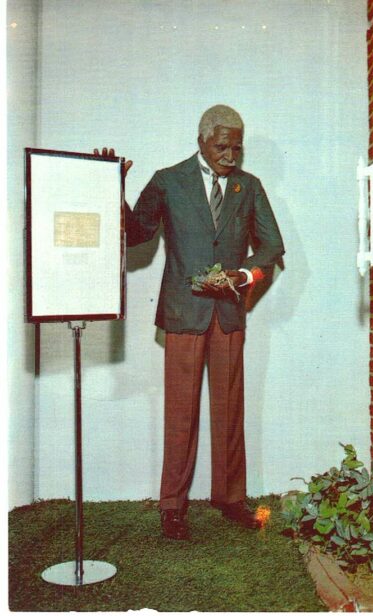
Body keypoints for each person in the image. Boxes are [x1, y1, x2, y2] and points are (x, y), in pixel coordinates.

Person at [95, 104, 284, 540]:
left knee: (230, 409)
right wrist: (110, 185)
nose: (230, 155)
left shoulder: (248, 187)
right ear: (201, 140)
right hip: (183, 312)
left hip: (229, 314)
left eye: (237, 147)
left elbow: (272, 247)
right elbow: (136, 233)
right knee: (180, 413)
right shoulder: (168, 180)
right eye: (222, 146)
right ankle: (172, 507)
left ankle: (231, 498)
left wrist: (243, 274)